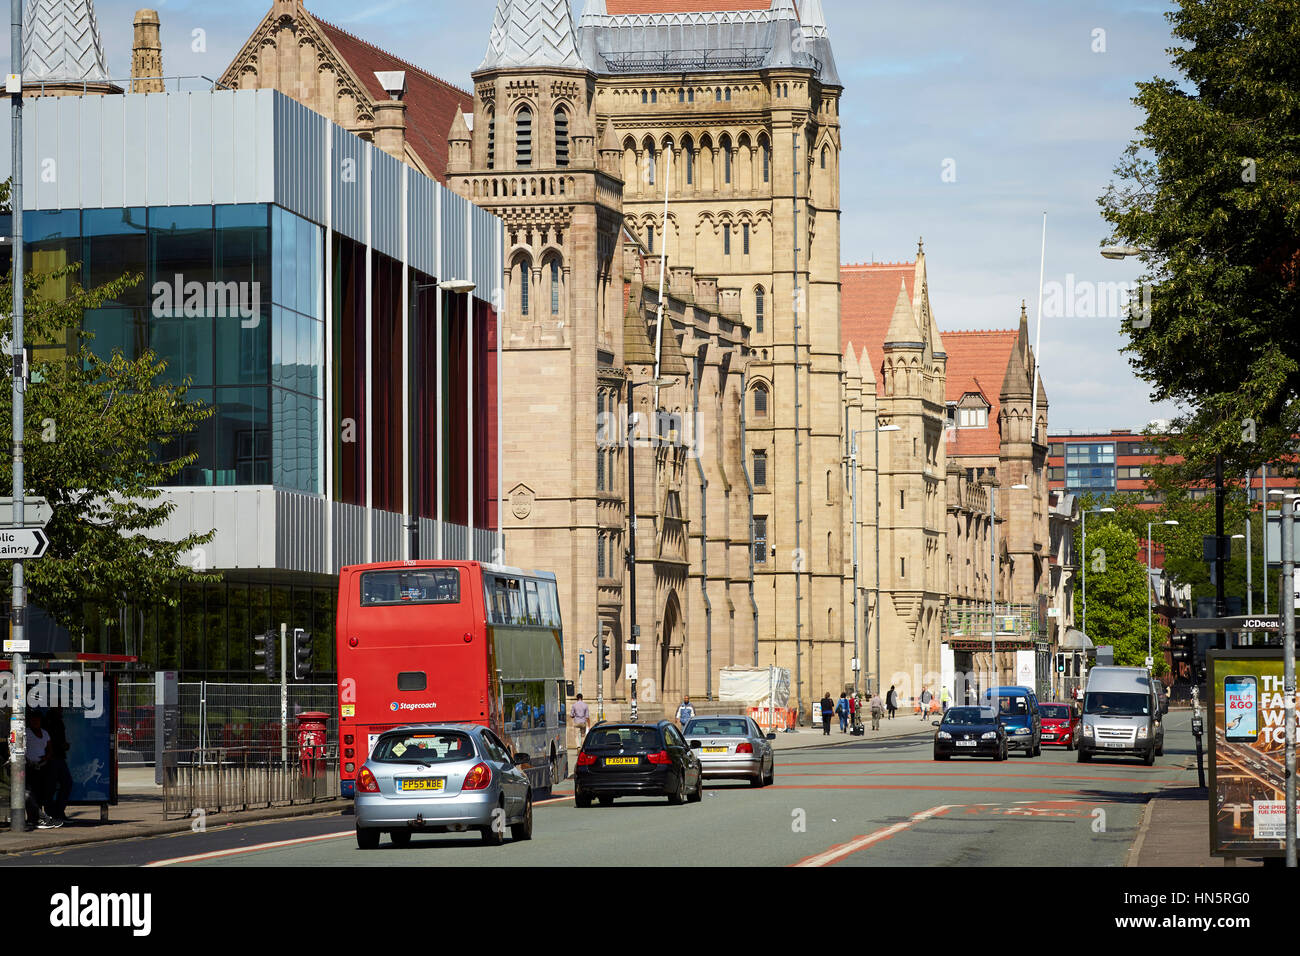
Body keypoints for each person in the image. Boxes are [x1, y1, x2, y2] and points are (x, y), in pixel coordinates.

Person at [25, 711, 59, 830]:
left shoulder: (44, 733)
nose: (35, 722)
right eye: (33, 720)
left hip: (42, 766)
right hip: (30, 766)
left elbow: (50, 749)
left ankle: (41, 817)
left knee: (41, 793)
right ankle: (32, 819)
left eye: (37, 720)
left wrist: (45, 757)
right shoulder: (26, 733)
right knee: (30, 794)